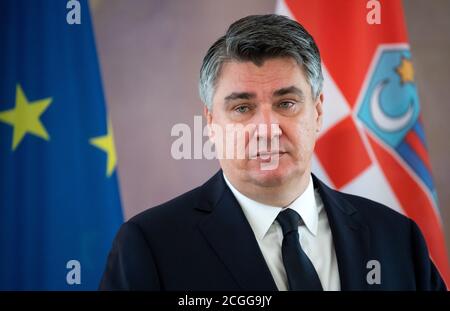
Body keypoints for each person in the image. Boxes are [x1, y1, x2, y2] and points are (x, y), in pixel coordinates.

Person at [99, 14, 446, 291]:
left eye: (287, 103)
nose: (267, 128)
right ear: (210, 121)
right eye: (242, 108)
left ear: (318, 110)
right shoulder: (151, 248)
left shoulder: (398, 239)